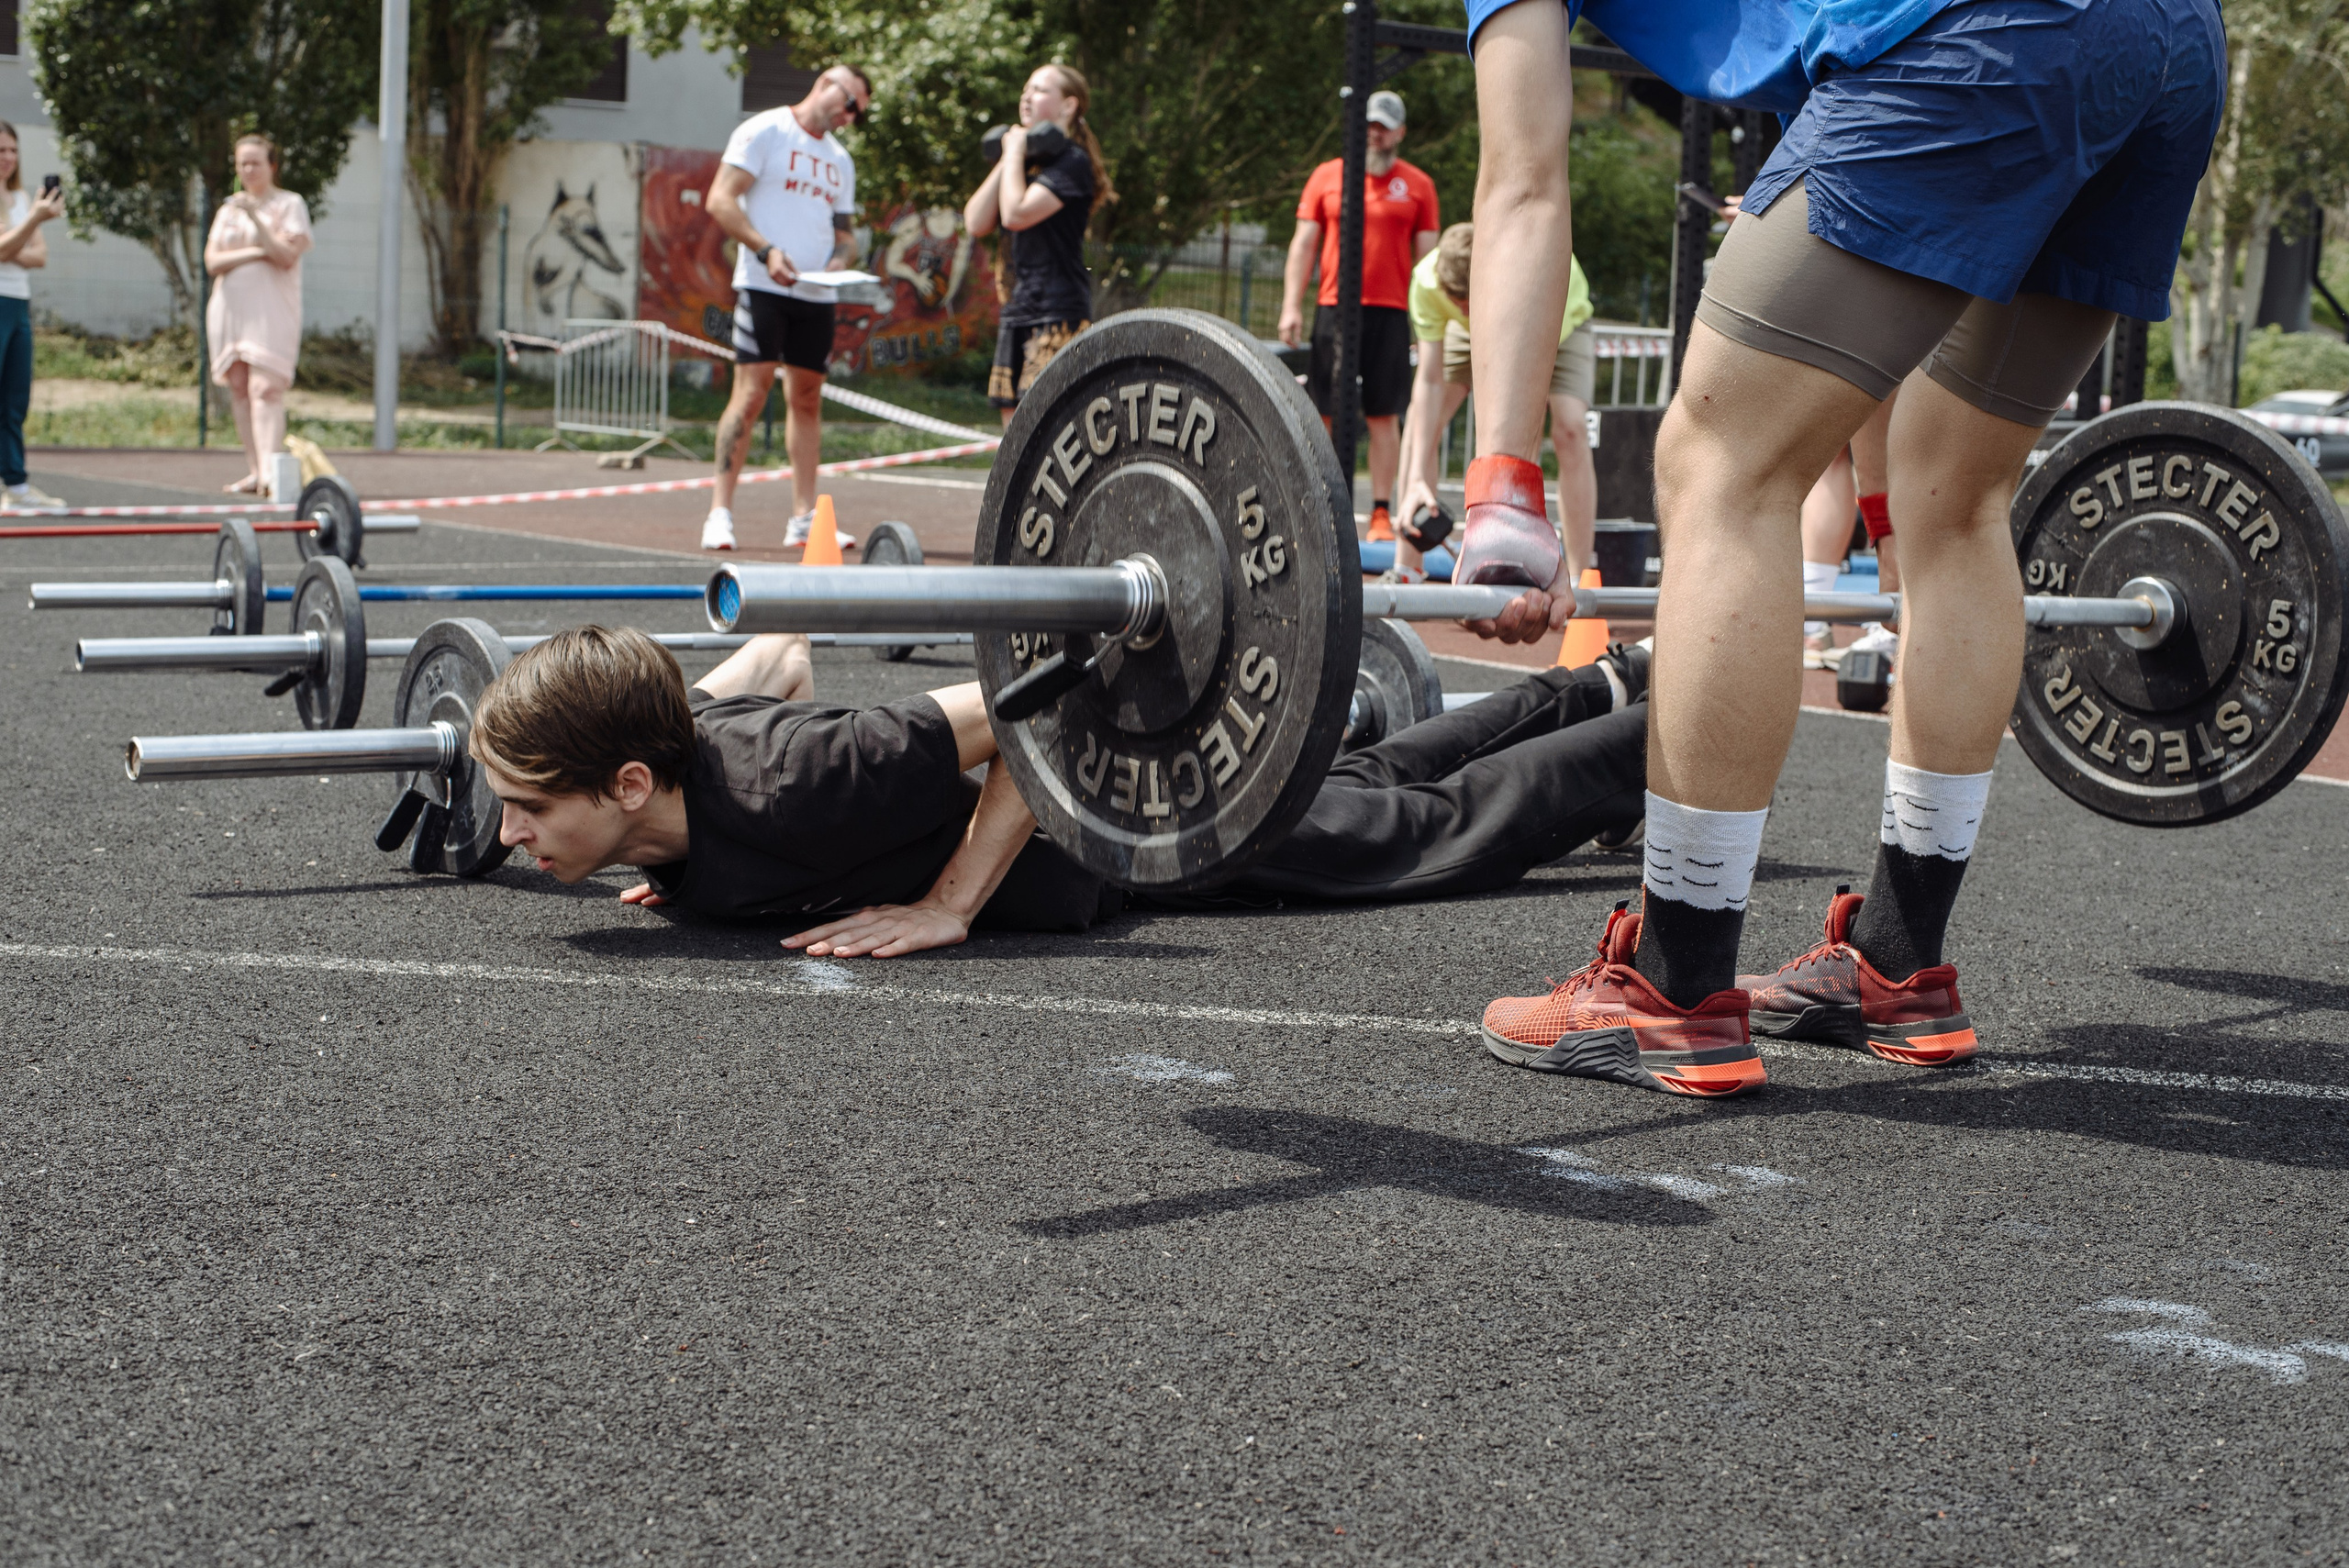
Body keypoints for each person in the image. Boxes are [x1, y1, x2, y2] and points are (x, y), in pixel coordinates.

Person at [1456, 0, 2223, 1097]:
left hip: (1991, 33)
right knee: (1954, 494)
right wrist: (1874, 509)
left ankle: (1673, 993)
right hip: (2165, 44)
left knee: (1722, 460)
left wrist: (1501, 482)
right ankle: (1897, 965)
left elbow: (1522, 189)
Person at [469, 627, 1652, 956]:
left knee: (1421, 832)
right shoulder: (673, 759)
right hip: (1113, 804)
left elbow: (1048, 697)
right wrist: (669, 860)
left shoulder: (804, 779)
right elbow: (776, 648)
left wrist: (951, 901)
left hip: (1129, 819)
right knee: (1374, 772)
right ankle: (1603, 680)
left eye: (528, 805)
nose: (510, 832)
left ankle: (1670, 731)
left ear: (627, 779)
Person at [700, 63, 871, 554]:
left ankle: (803, 518)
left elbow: (845, 235)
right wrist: (765, 250)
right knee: (750, 395)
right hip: (763, 286)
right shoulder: (764, 130)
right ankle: (720, 512)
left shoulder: (840, 160)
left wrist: (840, 261)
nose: (851, 116)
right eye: (852, 103)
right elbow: (720, 200)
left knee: (808, 399)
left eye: (859, 112)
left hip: (816, 294)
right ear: (827, 85)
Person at [1393, 223, 1597, 586]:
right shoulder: (1426, 281)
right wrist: (1413, 481)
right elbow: (1429, 380)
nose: (1466, 309)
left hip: (1553, 323)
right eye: (1458, 304)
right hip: (1474, 328)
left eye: (1470, 301)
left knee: (1570, 429)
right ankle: (1407, 565)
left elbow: (1520, 407)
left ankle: (1581, 576)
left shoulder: (1533, 273)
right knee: (1424, 419)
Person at [1278, 90, 1440, 547]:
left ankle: (1382, 513)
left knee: (1383, 416)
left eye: (1385, 125)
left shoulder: (1419, 185)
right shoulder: (1328, 177)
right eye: (1369, 123)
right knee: (1326, 413)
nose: (1376, 131)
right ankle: (1326, 505)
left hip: (1391, 312)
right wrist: (1292, 304)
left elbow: (1430, 259)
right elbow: (1303, 245)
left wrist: (1428, 320)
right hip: (1335, 308)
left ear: (1400, 132)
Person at [964, 62, 1114, 423]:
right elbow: (975, 222)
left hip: (1057, 311)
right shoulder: (1020, 161)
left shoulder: (1072, 162)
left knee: (1044, 422)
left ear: (1068, 106)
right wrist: (1010, 155)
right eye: (1026, 89)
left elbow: (1016, 213)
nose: (1027, 97)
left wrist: (1014, 151)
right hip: (1019, 306)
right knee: (1012, 427)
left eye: (1040, 90)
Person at [203, 134, 312, 498]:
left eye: (255, 163)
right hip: (230, 311)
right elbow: (212, 262)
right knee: (239, 386)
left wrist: (257, 221)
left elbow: (284, 255)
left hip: (271, 310)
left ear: (272, 165)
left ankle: (272, 471)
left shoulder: (289, 204)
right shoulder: (228, 209)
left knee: (265, 388)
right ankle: (255, 469)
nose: (248, 170)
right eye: (242, 164)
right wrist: (255, 251)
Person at [0, 122, 63, 511]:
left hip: (18, 304)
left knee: (14, 400)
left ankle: (16, 486)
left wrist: (16, 235)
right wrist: (30, 224)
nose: (6, 158)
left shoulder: (22, 198)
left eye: (11, 150)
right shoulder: (30, 209)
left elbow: (37, 256)